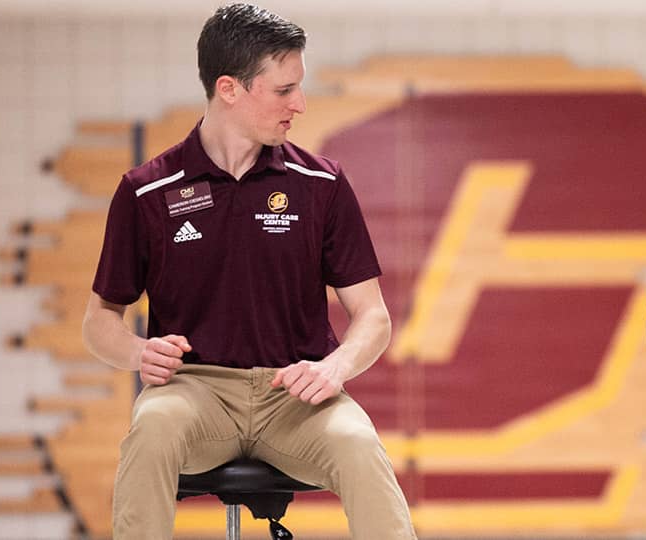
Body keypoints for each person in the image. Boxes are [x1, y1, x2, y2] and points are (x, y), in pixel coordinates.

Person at [81, 3, 414, 538]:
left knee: (358, 444)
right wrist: (138, 352)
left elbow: (373, 317)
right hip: (195, 391)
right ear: (229, 89)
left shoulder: (321, 184)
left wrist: (335, 367)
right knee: (151, 427)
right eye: (284, 90)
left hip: (296, 398)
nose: (299, 104)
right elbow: (99, 321)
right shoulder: (146, 191)